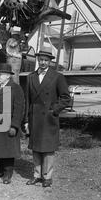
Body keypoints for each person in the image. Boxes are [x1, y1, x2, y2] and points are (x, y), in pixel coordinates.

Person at [23, 47, 71, 188]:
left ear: (50, 61)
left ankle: (47, 177)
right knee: (36, 148)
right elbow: (28, 100)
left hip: (49, 118)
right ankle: (36, 175)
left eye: (46, 60)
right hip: (34, 118)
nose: (43, 62)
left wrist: (54, 110)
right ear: (38, 60)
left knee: (48, 149)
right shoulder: (31, 77)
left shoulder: (57, 77)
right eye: (41, 60)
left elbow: (66, 98)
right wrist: (26, 120)